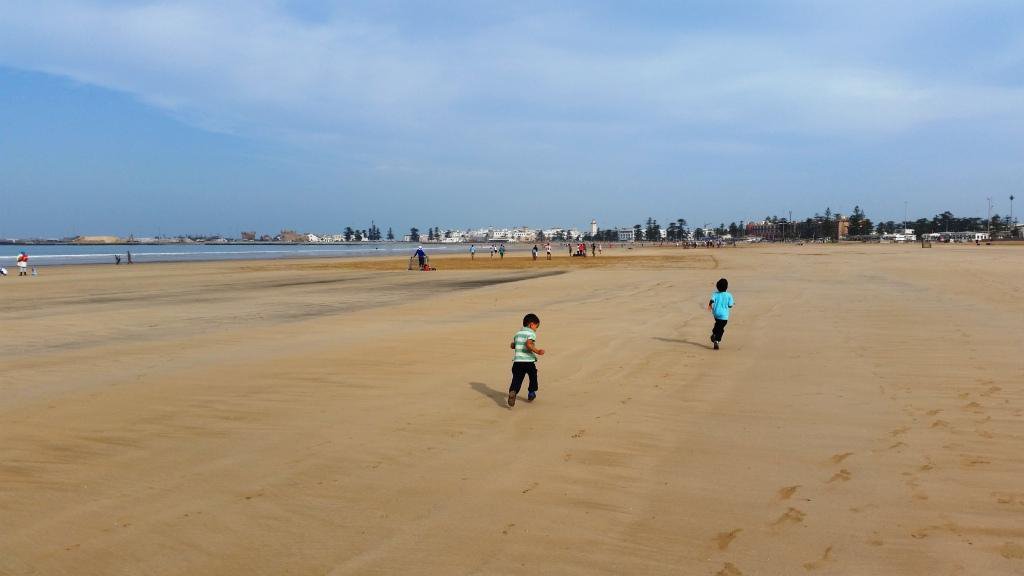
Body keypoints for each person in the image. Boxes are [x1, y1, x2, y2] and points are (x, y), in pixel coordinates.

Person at [508, 313, 545, 407]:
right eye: (536, 327)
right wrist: (537, 351)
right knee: (533, 376)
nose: (536, 329)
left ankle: (513, 391)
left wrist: (514, 345)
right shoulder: (531, 333)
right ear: (531, 324)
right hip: (528, 361)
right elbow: (528, 344)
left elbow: (513, 345)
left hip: (517, 362)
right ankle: (531, 392)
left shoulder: (517, 334)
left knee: (517, 378)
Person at [708, 278, 735, 350]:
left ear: (717, 286)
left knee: (717, 324)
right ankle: (717, 340)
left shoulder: (715, 294)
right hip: (724, 315)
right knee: (721, 329)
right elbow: (730, 305)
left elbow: (711, 300)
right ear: (727, 287)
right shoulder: (729, 295)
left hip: (716, 313)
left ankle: (714, 333)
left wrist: (710, 306)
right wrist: (731, 304)